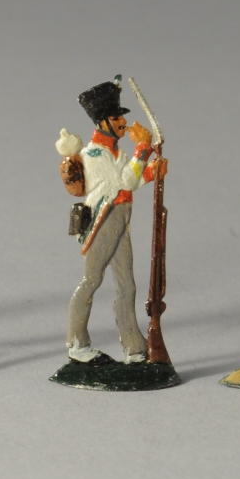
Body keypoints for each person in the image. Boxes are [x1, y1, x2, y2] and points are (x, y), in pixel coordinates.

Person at [66, 78, 167, 365]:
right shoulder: (94, 154)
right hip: (104, 220)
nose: (123, 122)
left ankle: (134, 347)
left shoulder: (116, 152)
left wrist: (153, 172)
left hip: (121, 217)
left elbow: (131, 179)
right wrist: (143, 148)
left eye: (121, 116)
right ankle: (77, 343)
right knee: (92, 280)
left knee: (127, 286)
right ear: (102, 122)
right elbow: (126, 180)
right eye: (116, 118)